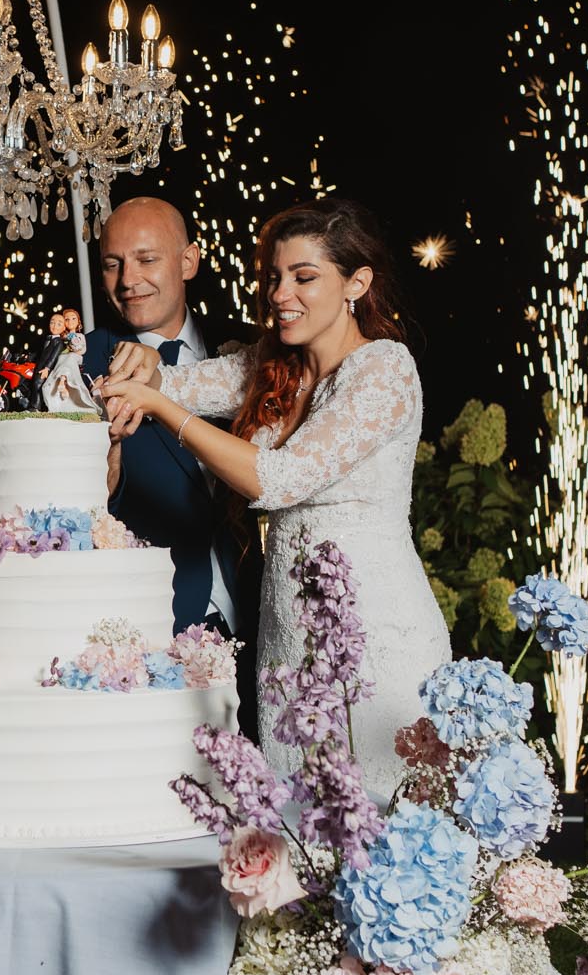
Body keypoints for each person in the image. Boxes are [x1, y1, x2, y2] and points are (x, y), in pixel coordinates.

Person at [93, 197, 449, 798]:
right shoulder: (272, 364)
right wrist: (139, 366)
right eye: (274, 277)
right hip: (287, 636)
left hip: (374, 633)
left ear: (356, 283)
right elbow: (175, 380)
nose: (281, 294)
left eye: (305, 277)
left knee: (390, 828)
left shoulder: (384, 369)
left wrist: (162, 408)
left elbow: (279, 478)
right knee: (301, 840)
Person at [82, 197, 262, 732]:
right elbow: (77, 507)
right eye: (112, 264)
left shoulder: (250, 349)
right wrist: (108, 447)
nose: (128, 279)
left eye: (145, 260)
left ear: (188, 262)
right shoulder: (80, 362)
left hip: (263, 619)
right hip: (152, 631)